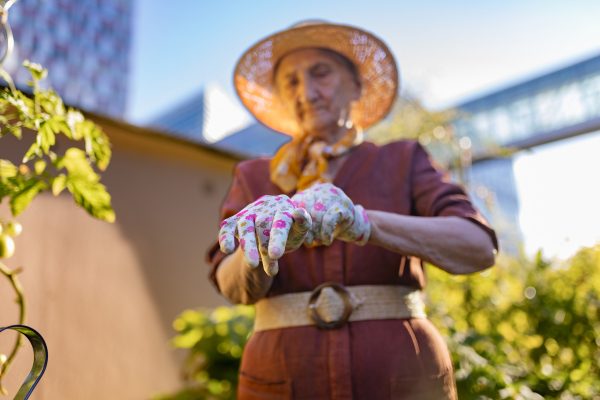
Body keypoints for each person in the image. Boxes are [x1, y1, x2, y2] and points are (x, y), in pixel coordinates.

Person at [207, 21, 498, 400]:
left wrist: (363, 222)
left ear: (356, 86)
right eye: (290, 82)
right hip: (280, 378)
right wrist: (258, 245)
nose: (306, 92)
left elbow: (478, 247)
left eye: (321, 73)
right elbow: (230, 285)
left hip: (404, 376)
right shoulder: (254, 177)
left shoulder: (403, 159)